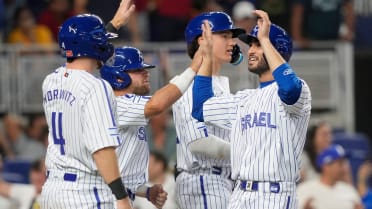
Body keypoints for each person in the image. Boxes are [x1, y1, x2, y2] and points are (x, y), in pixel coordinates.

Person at [192, 10, 312, 209]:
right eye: (252, 45)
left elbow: (290, 88)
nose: (251, 50)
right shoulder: (244, 98)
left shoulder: (299, 89)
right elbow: (201, 109)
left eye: (258, 45)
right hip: (239, 194)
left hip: (275, 195)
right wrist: (206, 59)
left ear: (275, 49)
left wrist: (265, 39)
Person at [40, 1, 135, 208]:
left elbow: (81, 50)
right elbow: (102, 150)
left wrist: (114, 24)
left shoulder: (50, 81)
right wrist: (121, 198)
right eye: (100, 36)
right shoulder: (96, 87)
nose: (104, 41)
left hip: (52, 191)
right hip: (85, 192)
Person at [100, 43, 206, 208]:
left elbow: (124, 175)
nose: (145, 73)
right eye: (137, 70)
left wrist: (146, 191)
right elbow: (157, 104)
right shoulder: (116, 103)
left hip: (112, 196)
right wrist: (193, 68)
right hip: (103, 198)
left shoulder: (129, 110)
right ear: (118, 77)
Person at [172, 11, 245, 209]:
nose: (232, 43)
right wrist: (246, 152)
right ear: (202, 39)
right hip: (203, 181)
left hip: (222, 181)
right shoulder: (188, 82)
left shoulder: (220, 84)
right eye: (224, 36)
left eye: (232, 37)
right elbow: (198, 142)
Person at [297, 145, 363, 209]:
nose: (344, 167)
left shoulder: (350, 190)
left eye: (345, 163)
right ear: (326, 166)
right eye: (340, 163)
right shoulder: (305, 189)